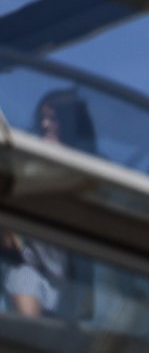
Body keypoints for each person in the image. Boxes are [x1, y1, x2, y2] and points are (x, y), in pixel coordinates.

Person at [3, 89, 95, 317]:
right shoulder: (25, 158)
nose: (45, 124)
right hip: (29, 266)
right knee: (29, 325)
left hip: (67, 279)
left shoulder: (89, 172)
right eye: (42, 117)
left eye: (53, 118)